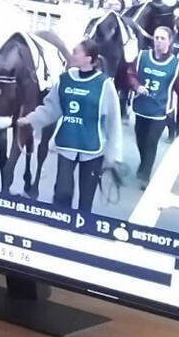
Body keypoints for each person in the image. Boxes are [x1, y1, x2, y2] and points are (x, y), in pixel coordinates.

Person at [22, 37, 121, 214]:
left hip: (93, 149)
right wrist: (30, 119)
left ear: (88, 58)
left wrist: (113, 154)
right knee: (62, 193)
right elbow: (51, 108)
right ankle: (59, 223)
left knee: (85, 201)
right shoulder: (65, 79)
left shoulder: (105, 85)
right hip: (67, 144)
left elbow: (113, 122)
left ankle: (81, 227)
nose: (72, 55)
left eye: (76, 52)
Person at [132, 25, 179, 186]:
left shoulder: (175, 63)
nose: (158, 41)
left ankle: (145, 174)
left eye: (162, 38)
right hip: (142, 106)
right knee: (141, 139)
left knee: (151, 141)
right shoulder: (142, 56)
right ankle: (144, 162)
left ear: (170, 41)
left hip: (160, 110)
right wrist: (136, 86)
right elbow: (130, 74)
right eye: (156, 37)